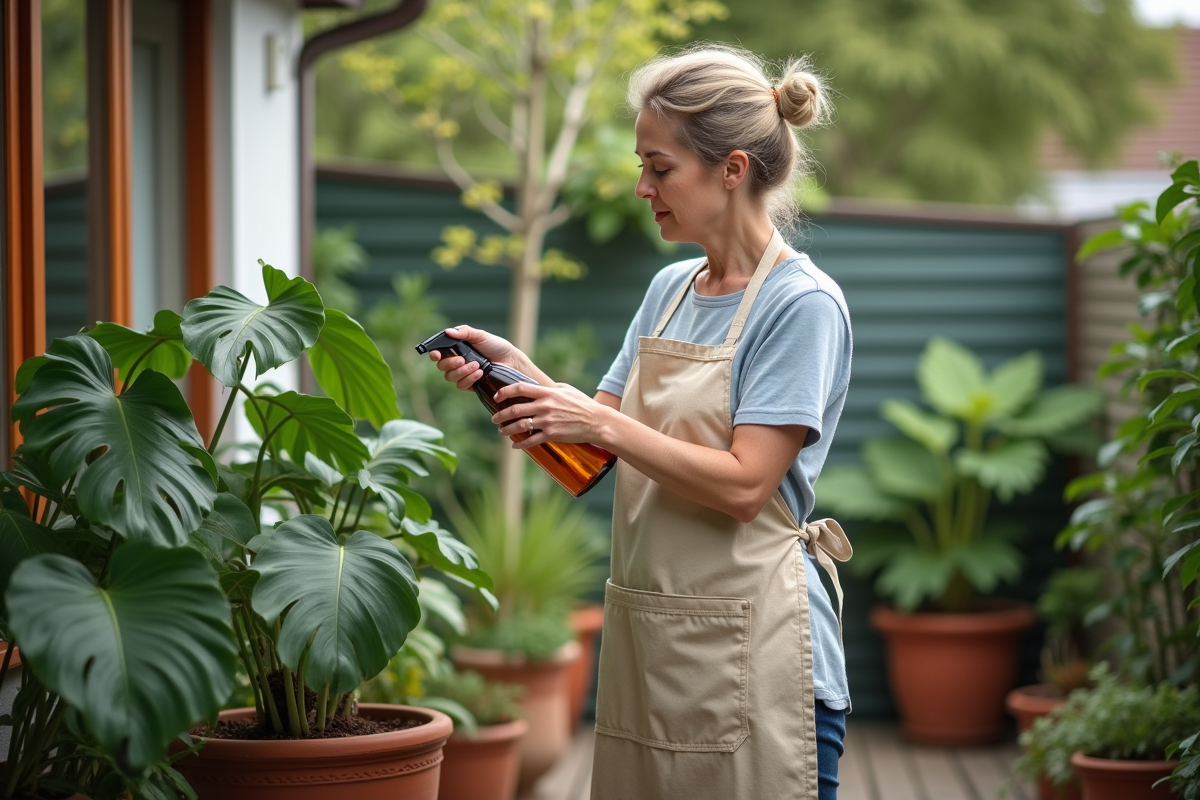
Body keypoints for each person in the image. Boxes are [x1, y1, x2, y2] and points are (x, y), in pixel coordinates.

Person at [429, 45, 853, 800]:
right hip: (654, 652)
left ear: (731, 170)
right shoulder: (668, 290)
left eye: (660, 169)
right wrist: (512, 378)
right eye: (642, 166)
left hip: (760, 659)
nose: (641, 187)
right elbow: (588, 454)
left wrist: (594, 423)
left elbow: (747, 486)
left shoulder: (801, 305)